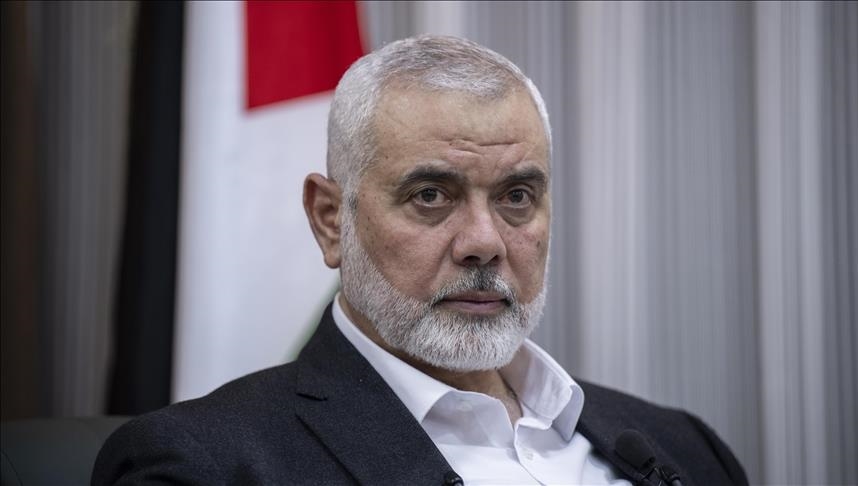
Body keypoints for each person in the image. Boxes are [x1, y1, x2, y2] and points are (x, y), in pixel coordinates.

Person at [93, 35, 748, 486]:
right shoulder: (201, 465)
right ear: (330, 220)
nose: (484, 242)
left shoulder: (682, 447)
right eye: (431, 196)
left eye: (517, 196)